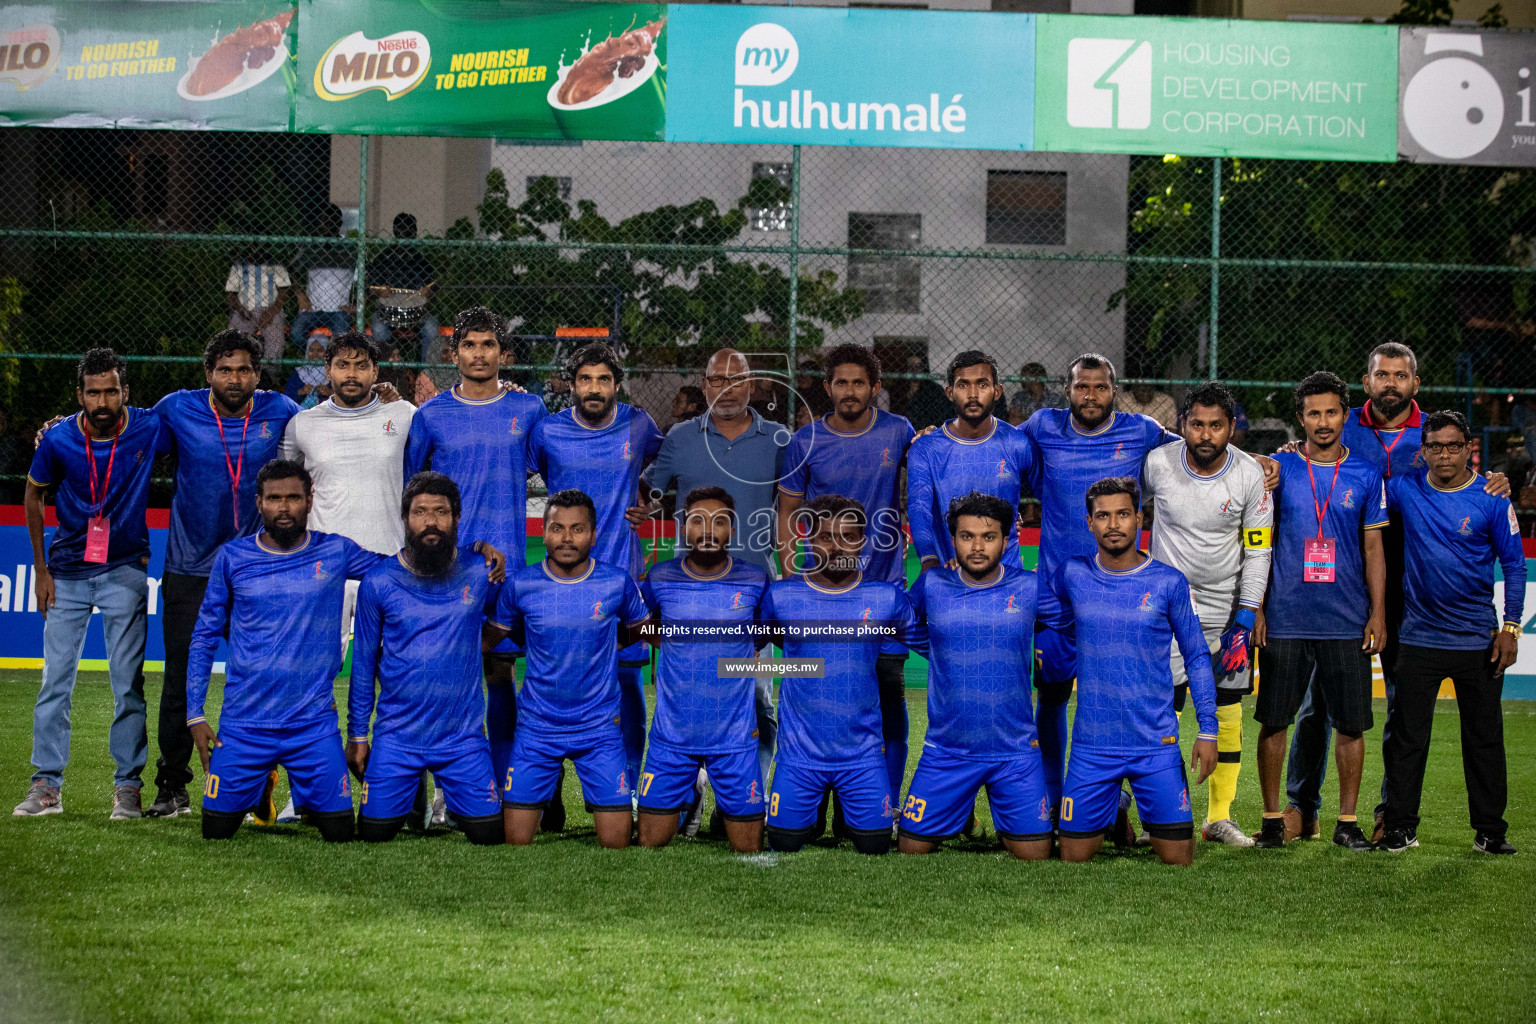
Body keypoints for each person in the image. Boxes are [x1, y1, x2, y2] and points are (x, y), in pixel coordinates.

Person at [1282, 343, 1510, 842]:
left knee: (1402, 705)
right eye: (1381, 375)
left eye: (1400, 376)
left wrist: (1498, 480)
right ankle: (1303, 805)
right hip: (1342, 576)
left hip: (1412, 582)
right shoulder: (1343, 422)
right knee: (1319, 701)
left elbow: (1470, 483)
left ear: (1415, 384)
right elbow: (1304, 457)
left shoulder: (1434, 434)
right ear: (1365, 384)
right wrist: (1280, 457)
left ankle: (1391, 812)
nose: (1391, 384)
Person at [144, 331, 301, 820]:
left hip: (255, 571)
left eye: (245, 370)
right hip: (189, 570)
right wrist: (62, 424)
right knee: (179, 682)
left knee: (263, 678)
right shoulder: (176, 409)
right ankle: (172, 787)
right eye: (225, 370)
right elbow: (124, 431)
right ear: (207, 372)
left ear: (258, 372)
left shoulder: (281, 411)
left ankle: (259, 782)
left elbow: (329, 425)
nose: (236, 379)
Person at [1015, 352, 1180, 813]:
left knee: (1116, 700)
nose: (1091, 396)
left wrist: (1263, 460)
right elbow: (991, 445)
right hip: (1054, 596)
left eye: (1100, 387)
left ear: (1115, 391)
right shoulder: (1042, 426)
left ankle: (1116, 801)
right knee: (1050, 698)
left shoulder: (1142, 429)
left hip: (1118, 596)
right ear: (1068, 390)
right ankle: (1051, 799)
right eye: (1082, 387)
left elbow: (1197, 449)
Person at [187, 461, 380, 843]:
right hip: (244, 726)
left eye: (293, 498)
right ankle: (258, 787)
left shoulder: (337, 551)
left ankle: (276, 782)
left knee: (340, 832)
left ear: (310, 501)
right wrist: (195, 713)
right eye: (274, 498)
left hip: (312, 727)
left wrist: (470, 552)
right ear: (259, 503)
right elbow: (204, 635)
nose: (284, 507)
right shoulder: (232, 557)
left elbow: (401, 569)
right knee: (216, 832)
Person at [405, 307, 548, 822]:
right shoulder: (431, 415)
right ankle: (442, 789)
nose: (480, 354)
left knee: (499, 674)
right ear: (455, 353)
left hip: (506, 569)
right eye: (470, 345)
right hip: (446, 569)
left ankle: (503, 780)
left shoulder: (529, 409)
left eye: (489, 345)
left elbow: (558, 469)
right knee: (441, 674)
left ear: (503, 354)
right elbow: (412, 490)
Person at [1038, 477, 1219, 867]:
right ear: (1089, 522)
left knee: (1178, 859)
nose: (1113, 524)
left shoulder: (1168, 581)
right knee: (1073, 858)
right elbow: (1038, 610)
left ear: (1140, 518)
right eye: (1102, 516)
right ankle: (1115, 811)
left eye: (1123, 514)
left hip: (1156, 744)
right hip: (1092, 748)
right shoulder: (1072, 574)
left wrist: (1207, 729)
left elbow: (1197, 656)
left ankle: (1125, 805)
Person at [279, 331, 417, 821]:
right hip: (325, 575)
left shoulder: (402, 416)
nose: (352, 374)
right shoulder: (303, 425)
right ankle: (306, 791)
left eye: (361, 365)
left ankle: (412, 795)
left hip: (389, 572)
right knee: (313, 685)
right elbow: (284, 493)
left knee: (400, 684)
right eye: (342, 365)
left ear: (376, 373)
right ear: (328, 371)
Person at [14, 349, 156, 819]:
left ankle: (127, 786)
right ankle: (46, 785)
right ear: (79, 396)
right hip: (67, 574)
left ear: (125, 393)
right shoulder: (57, 440)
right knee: (55, 681)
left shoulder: (148, 427)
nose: (102, 400)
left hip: (124, 571)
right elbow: (33, 495)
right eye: (93, 392)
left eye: (110, 390)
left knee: (126, 685)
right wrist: (40, 570)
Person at [641, 348, 788, 802]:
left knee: (759, 703)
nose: (726, 387)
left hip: (753, 596)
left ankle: (745, 800)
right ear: (704, 385)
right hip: (689, 595)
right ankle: (685, 800)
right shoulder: (681, 438)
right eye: (716, 378)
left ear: (753, 386)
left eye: (736, 378)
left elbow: (793, 504)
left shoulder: (780, 439)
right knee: (686, 704)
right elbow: (648, 489)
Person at [1252, 371, 1387, 852]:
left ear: (1345, 416)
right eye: (1314, 413)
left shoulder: (1366, 474)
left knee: (1350, 724)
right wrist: (1259, 609)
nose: (1323, 421)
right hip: (1286, 618)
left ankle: (1346, 821)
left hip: (1346, 621)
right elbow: (1258, 541)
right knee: (1275, 720)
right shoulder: (1278, 469)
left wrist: (1378, 614)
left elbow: (1374, 549)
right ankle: (1273, 819)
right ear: (1299, 418)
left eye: (1332, 412)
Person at [1378, 411, 1524, 855]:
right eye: (1436, 446)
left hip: (1478, 641)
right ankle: (1401, 827)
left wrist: (1511, 627)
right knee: (1407, 740)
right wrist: (1287, 455)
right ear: (1422, 452)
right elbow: (1356, 485)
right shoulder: (1404, 489)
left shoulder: (1492, 497)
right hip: (1418, 638)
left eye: (1454, 445)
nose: (1445, 454)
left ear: (1468, 449)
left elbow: (1515, 565)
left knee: (1484, 739)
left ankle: (1490, 832)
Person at [776, 345, 915, 808]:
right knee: (819, 690)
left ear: (875, 388)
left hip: (883, 587)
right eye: (841, 383)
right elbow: (788, 512)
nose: (850, 391)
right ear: (827, 387)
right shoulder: (805, 440)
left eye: (859, 383)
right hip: (822, 593)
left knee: (888, 694)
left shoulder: (899, 432)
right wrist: (791, 572)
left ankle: (888, 801)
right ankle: (812, 795)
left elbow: (926, 482)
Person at [1140, 380, 1272, 847]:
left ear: (1231, 427)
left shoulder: (1250, 475)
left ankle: (1219, 817)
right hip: (1165, 614)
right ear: (1182, 425)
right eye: (1197, 423)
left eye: (1217, 425)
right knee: (1163, 715)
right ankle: (1164, 816)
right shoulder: (1157, 464)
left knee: (1228, 710)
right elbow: (1117, 511)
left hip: (1225, 617)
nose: (1206, 434)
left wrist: (1247, 612)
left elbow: (1259, 551)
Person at [528, 342, 663, 793]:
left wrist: (651, 498)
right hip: (563, 577)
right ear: (570, 384)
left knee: (628, 683)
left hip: (622, 571)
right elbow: (523, 474)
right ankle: (543, 795)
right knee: (554, 681)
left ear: (617, 384)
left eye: (603, 379)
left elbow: (667, 470)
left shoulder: (638, 424)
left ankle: (625, 787)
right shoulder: (546, 431)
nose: (594, 388)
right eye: (584, 379)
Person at [347, 472, 506, 846]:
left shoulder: (481, 570)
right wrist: (357, 734)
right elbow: (364, 663)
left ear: (456, 518)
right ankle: (407, 796)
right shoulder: (379, 581)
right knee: (374, 834)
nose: (431, 521)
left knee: (489, 834)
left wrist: (482, 547)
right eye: (420, 512)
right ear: (405, 519)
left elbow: (509, 620)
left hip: (462, 738)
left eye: (441, 512)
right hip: (397, 736)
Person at [485, 489, 650, 849]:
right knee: (516, 839)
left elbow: (643, 626)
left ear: (593, 534)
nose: (566, 538)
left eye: (577, 529)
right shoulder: (521, 584)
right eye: (557, 528)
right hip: (538, 728)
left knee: (617, 841)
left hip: (599, 728)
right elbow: (492, 636)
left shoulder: (615, 581)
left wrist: (616, 642)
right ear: (543, 532)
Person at [759, 494, 918, 855]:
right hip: (799, 755)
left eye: (848, 536)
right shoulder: (782, 596)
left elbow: (934, 642)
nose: (837, 546)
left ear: (862, 542)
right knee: (783, 842)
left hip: (862, 754)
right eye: (826, 536)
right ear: (808, 540)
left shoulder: (884, 599)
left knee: (875, 845)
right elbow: (752, 649)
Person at [898, 492, 1052, 860]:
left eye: (989, 536)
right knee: (911, 849)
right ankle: (961, 814)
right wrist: (939, 649)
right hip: (947, 751)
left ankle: (981, 814)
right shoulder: (933, 585)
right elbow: (899, 623)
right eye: (967, 536)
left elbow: (1077, 623)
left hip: (1014, 752)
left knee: (1036, 855)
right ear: (953, 539)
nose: (978, 546)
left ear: (1006, 539)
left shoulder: (1029, 588)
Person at [635, 488, 771, 852]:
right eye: (698, 521)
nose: (708, 530)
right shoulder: (661, 575)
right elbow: (640, 624)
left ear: (733, 530)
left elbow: (766, 631)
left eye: (719, 522)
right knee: (649, 842)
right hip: (672, 737)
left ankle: (709, 781)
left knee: (747, 846)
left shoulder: (755, 579)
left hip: (735, 739)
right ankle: (693, 786)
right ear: (684, 528)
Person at [907, 350, 1034, 574]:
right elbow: (919, 509)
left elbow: (1048, 494)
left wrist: (1015, 516)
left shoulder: (1018, 443)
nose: (973, 394)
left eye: (982, 384)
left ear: (997, 392)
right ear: (950, 392)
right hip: (949, 573)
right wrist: (929, 560)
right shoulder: (926, 448)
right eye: (963, 385)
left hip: (1008, 576)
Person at [368, 213, 438, 352]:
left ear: (415, 232)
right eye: (402, 229)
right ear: (395, 230)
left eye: (410, 230)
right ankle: (385, 369)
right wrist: (379, 291)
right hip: (387, 312)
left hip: (417, 313)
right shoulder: (383, 259)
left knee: (431, 329)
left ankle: (426, 371)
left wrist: (428, 292)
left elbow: (432, 288)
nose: (406, 233)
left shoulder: (421, 261)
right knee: (379, 329)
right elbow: (370, 288)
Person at [289, 204, 355, 344]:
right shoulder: (310, 247)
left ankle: (330, 363)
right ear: (319, 222)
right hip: (312, 308)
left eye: (332, 220)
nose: (327, 224)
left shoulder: (349, 249)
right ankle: (312, 364)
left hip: (339, 309)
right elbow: (289, 271)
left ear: (339, 223)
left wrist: (358, 303)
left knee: (341, 341)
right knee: (296, 334)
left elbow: (365, 276)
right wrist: (300, 294)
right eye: (324, 220)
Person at [224, 249, 291, 383]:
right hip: (244, 308)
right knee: (233, 337)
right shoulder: (238, 266)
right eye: (251, 248)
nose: (254, 252)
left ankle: (269, 374)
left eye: (258, 248)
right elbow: (230, 293)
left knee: (276, 338)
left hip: (271, 308)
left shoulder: (276, 265)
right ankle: (236, 369)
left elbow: (284, 291)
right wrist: (240, 308)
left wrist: (271, 312)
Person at [901, 353, 951, 432]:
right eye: (910, 366)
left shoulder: (934, 390)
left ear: (924, 368)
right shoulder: (900, 389)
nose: (914, 370)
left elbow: (941, 418)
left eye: (918, 366)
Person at [1006, 361, 1064, 427]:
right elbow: (1014, 422)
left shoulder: (1055, 398)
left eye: (1024, 377)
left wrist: (1025, 421)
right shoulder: (1019, 397)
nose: (1021, 380)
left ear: (1036, 378)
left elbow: (1056, 425)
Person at [283, 332, 331, 408]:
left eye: (320, 350)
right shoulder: (299, 373)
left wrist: (330, 393)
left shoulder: (333, 373)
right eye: (311, 350)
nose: (315, 354)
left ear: (327, 352)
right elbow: (286, 398)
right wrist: (301, 391)